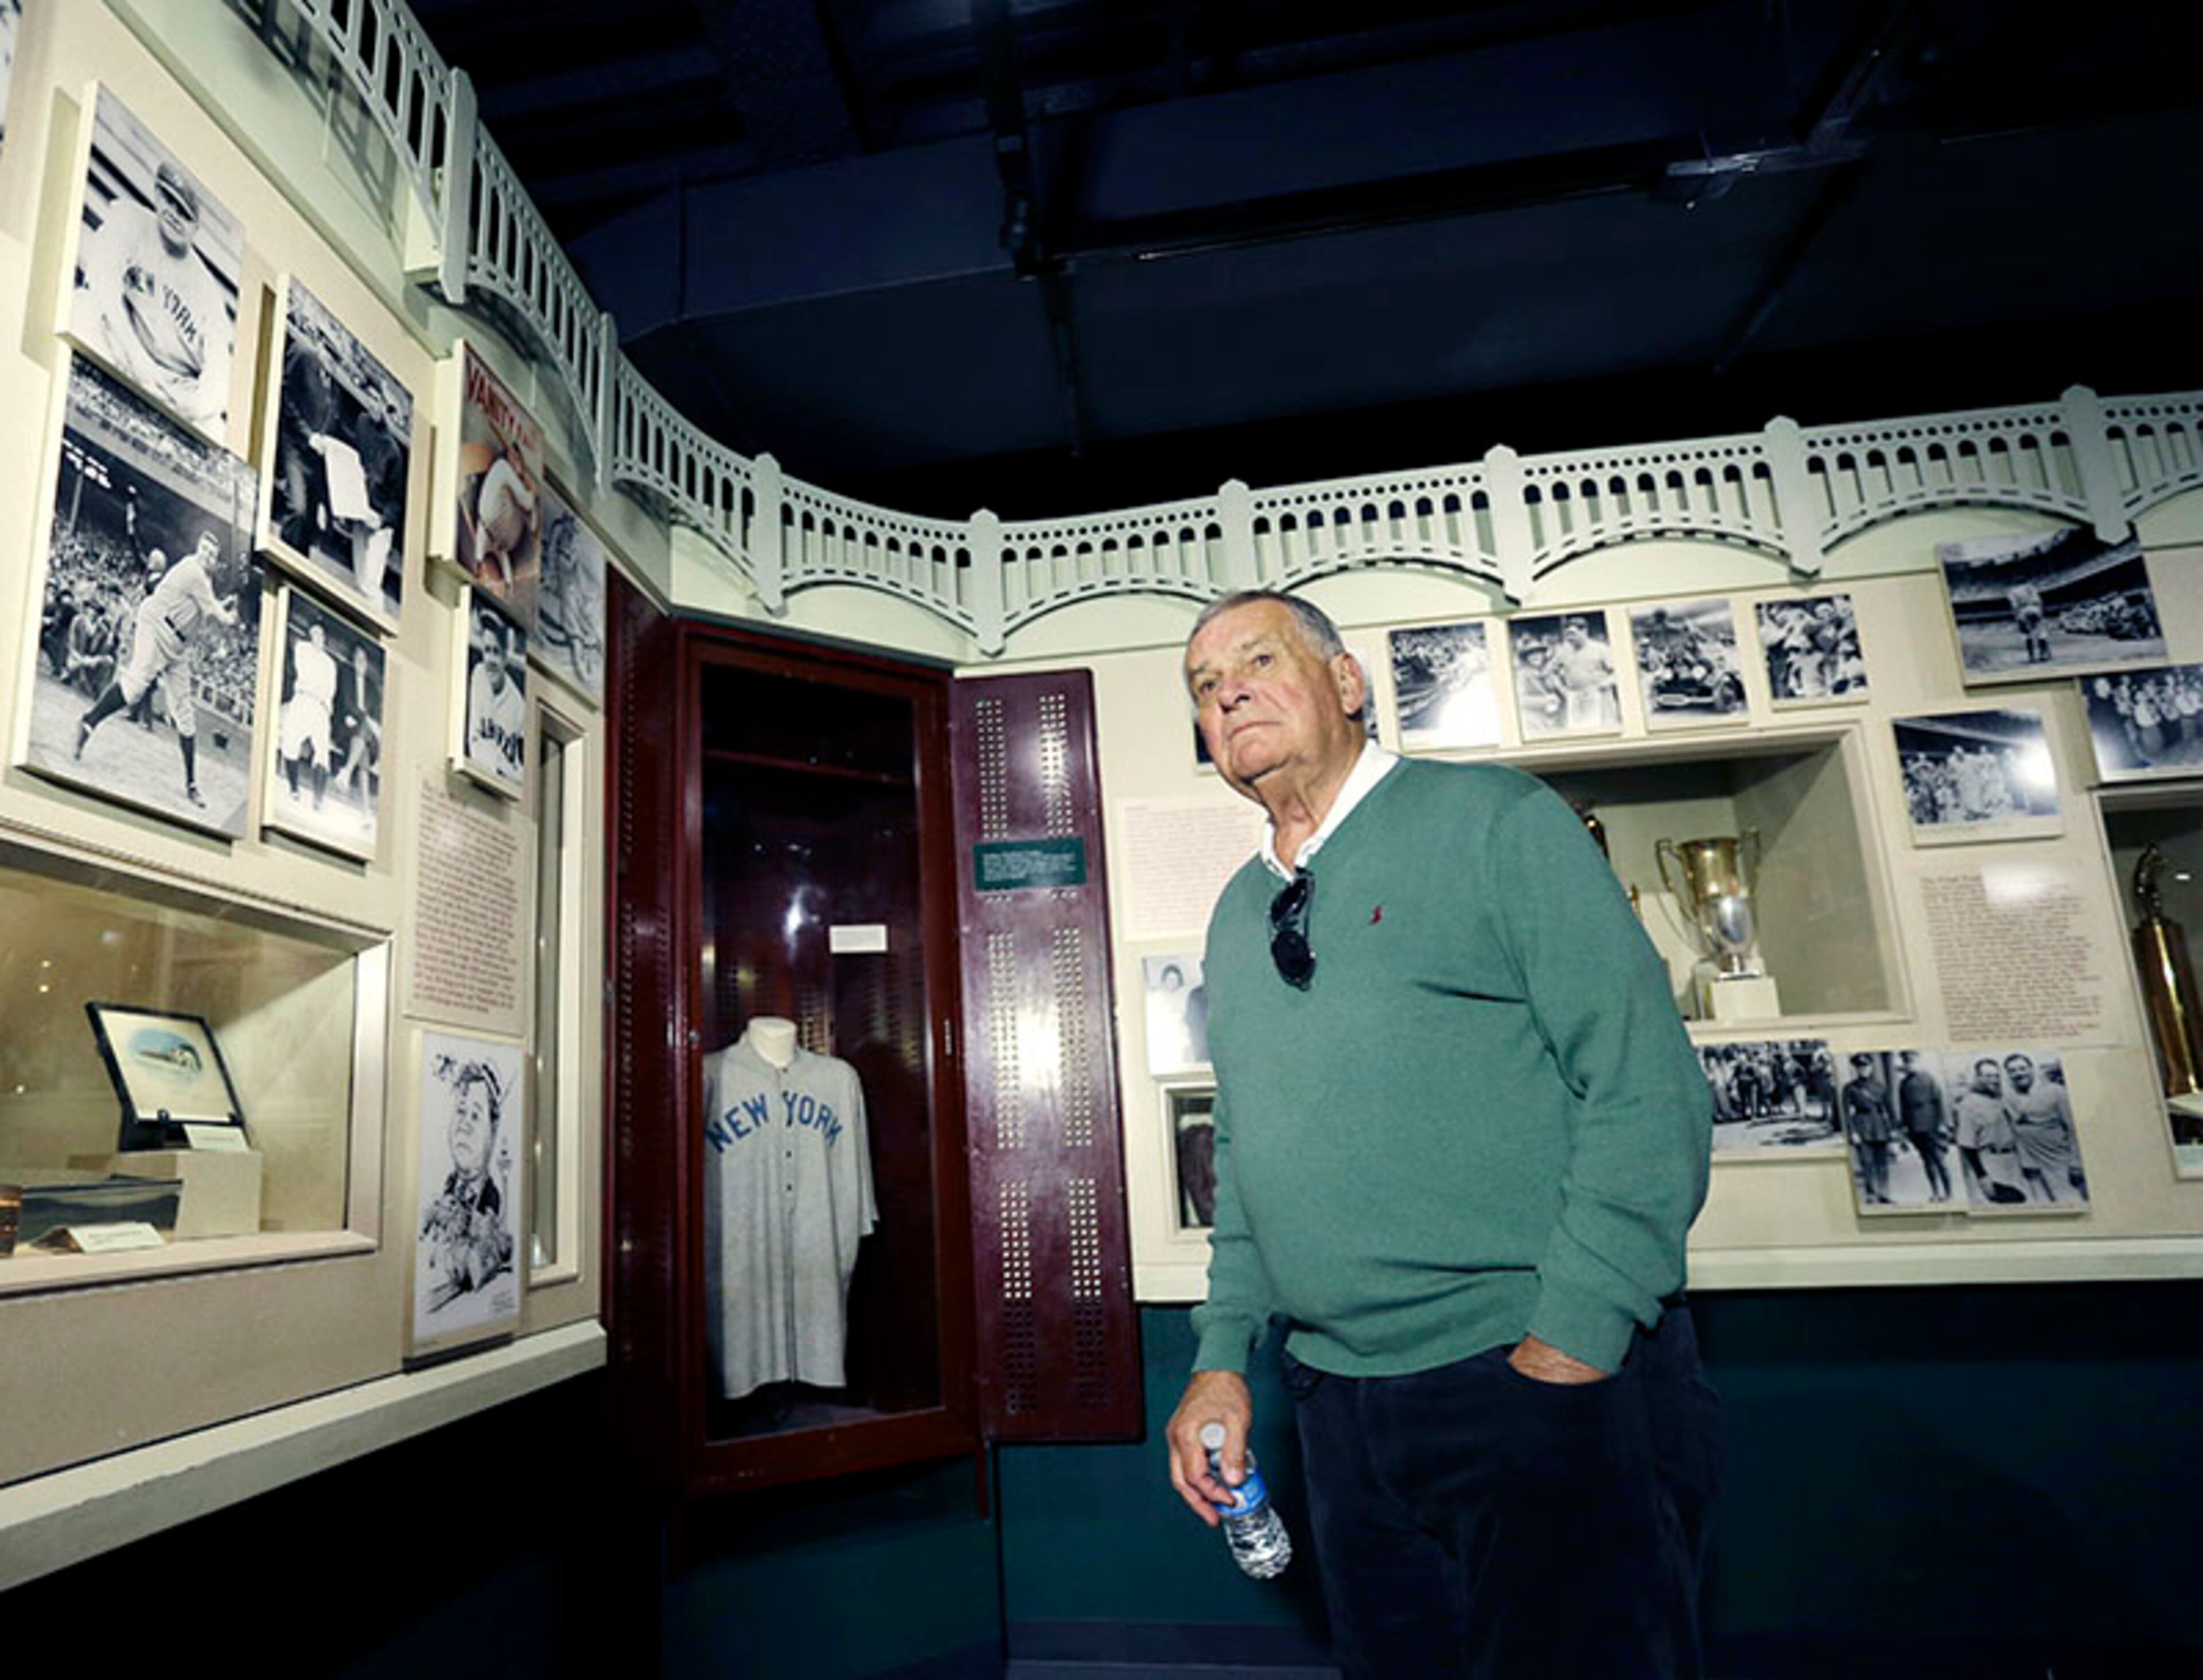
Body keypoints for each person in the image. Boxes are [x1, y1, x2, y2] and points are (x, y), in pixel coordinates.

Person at [1164, 590, 1718, 1680]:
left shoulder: (1497, 821)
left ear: (1349, 683)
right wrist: (1222, 1359)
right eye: (1203, 683)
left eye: (1259, 658)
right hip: (1337, 1409)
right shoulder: (1237, 912)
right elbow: (1247, 1159)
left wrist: (1571, 1343)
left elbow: (1645, 1087)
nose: (1227, 689)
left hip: (1532, 1377)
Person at [72, 530, 238, 808]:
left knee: (185, 716)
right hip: (155, 625)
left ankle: (192, 784)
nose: (207, 556)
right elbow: (217, 616)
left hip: (178, 647)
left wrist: (223, 604)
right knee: (136, 686)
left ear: (216, 560)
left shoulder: (203, 580)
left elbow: (205, 606)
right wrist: (231, 616)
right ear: (198, 549)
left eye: (212, 554)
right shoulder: (193, 570)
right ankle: (89, 722)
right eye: (205, 550)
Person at [75, 160, 232, 431]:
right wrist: (135, 357)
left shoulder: (208, 293)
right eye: (169, 199)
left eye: (183, 212)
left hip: (172, 382)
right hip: (124, 344)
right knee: (81, 307)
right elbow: (102, 282)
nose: (173, 213)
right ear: (157, 194)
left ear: (195, 227)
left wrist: (190, 406)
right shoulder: (132, 220)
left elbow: (219, 376)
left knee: (214, 428)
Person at [419, 1059, 515, 1311]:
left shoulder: (491, 1201)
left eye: (475, 1115)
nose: (465, 1124)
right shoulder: (441, 1189)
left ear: (492, 1133)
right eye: (460, 1112)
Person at [2002, 1053, 2081, 1204]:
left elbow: (2072, 1127)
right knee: (2043, 1205)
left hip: (2058, 1160)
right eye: (2013, 1071)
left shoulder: (2055, 1091)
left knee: (2068, 1202)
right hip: (2030, 1163)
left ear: (2031, 1069)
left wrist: (2076, 1161)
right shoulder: (2008, 1097)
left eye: (2022, 1068)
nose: (2018, 1073)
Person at [277, 617, 338, 809]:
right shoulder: (303, 649)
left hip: (320, 707)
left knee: (322, 752)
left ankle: (318, 800)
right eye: (314, 633)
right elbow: (297, 649)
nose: (317, 637)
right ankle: (294, 788)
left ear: (325, 637)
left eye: (320, 634)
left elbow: (331, 690)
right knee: (289, 744)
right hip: (303, 700)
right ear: (309, 635)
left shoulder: (330, 663)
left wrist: (327, 710)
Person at [466, 608, 527, 783]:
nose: (491, 659)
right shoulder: (478, 675)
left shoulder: (518, 706)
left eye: (496, 652)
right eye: (487, 651)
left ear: (506, 657)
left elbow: (521, 774)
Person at [1895, 1049, 1954, 1204]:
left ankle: (1949, 1193)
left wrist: (1943, 1123)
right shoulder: (1904, 1084)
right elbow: (1903, 1107)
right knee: (1927, 1161)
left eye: (1912, 1061)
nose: (1909, 1065)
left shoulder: (1929, 1079)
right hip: (1915, 1127)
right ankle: (1935, 1192)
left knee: (1940, 1160)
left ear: (1918, 1061)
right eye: (1906, 1062)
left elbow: (1940, 1101)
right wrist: (1904, 1128)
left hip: (1932, 1125)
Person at [1842, 1052, 1895, 1206]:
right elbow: (1846, 1113)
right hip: (1862, 1127)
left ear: (1871, 1068)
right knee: (1867, 1163)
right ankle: (1871, 1194)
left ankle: (1884, 1193)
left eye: (1866, 1067)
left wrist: (1891, 1130)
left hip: (1880, 1127)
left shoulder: (1880, 1087)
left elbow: (1889, 1109)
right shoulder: (1850, 1088)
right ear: (1856, 1069)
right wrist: (1852, 1132)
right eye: (1860, 1067)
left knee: (1883, 1163)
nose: (1863, 1070)